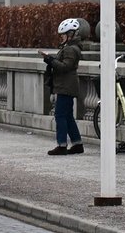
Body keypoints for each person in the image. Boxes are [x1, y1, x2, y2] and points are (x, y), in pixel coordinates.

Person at [41, 18, 85, 155]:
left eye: (63, 35)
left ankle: (62, 145)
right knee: (67, 116)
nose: (61, 37)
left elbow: (65, 67)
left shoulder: (71, 49)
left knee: (60, 115)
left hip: (66, 86)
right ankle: (77, 144)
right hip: (66, 85)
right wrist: (51, 59)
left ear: (71, 34)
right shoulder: (70, 48)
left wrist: (50, 59)